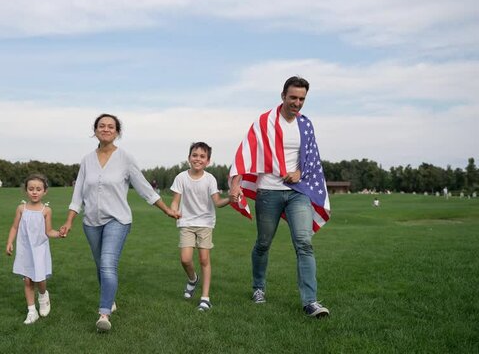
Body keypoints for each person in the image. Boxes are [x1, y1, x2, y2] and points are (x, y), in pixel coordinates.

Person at [59, 113, 179, 332]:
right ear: (95, 130)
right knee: (100, 265)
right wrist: (69, 221)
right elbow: (78, 194)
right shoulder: (87, 160)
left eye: (110, 126)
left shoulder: (125, 158)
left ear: (117, 132)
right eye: (101, 126)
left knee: (107, 264)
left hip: (118, 220)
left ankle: (104, 313)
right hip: (91, 222)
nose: (106, 129)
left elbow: (143, 187)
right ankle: (110, 297)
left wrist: (166, 209)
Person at [229, 76, 331, 318]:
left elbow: (312, 160)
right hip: (269, 192)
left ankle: (310, 302)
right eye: (293, 97)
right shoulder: (264, 122)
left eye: (302, 99)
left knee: (304, 244)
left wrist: (299, 173)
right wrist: (235, 184)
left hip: (298, 192)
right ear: (283, 95)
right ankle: (258, 288)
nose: (297, 103)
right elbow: (246, 153)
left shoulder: (305, 125)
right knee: (263, 243)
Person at [170, 142, 229, 311]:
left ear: (208, 161)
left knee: (204, 259)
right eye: (195, 155)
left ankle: (205, 298)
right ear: (189, 158)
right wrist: (173, 210)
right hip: (187, 223)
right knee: (185, 259)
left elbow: (217, 202)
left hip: (205, 223)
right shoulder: (181, 177)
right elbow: (175, 201)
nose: (198, 159)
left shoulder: (210, 179)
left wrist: (230, 200)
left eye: (202, 156)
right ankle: (192, 279)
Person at [5, 174, 62, 324]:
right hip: (25, 249)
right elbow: (14, 227)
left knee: (40, 278)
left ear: (45, 191)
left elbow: (48, 231)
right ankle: (32, 311)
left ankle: (43, 296)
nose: (34, 192)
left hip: (40, 249)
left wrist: (59, 234)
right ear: (26, 190)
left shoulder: (46, 210)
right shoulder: (21, 208)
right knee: (27, 280)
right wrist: (9, 242)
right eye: (31, 189)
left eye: (38, 189)